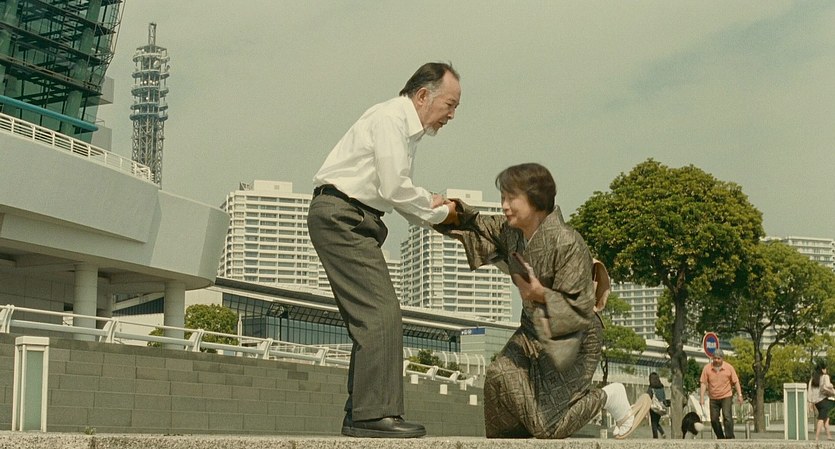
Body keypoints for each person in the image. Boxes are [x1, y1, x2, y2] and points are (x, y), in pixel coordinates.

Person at [434, 162, 650, 439]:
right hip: (531, 331)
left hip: (575, 338)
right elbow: (475, 224)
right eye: (503, 198)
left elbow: (580, 307)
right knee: (499, 376)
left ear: (536, 200)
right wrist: (446, 209)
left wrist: (541, 294)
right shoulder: (511, 232)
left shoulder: (568, 242)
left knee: (548, 427)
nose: (504, 206)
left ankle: (608, 396)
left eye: (511, 198)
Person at [307, 62, 460, 438]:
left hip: (352, 217)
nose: (452, 115)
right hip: (343, 216)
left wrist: (436, 215)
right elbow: (396, 188)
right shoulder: (392, 119)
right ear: (423, 96)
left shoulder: (405, 129)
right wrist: (439, 210)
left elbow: (396, 194)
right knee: (380, 313)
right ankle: (371, 415)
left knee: (373, 315)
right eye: (450, 104)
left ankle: (362, 412)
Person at [699, 349, 743, 439]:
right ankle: (720, 437)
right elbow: (703, 383)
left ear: (722, 358)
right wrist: (702, 397)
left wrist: (740, 395)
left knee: (727, 417)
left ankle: (729, 437)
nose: (716, 360)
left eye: (718, 358)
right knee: (714, 419)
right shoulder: (707, 368)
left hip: (726, 395)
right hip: (713, 397)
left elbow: (736, 382)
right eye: (715, 358)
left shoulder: (729, 368)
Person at [808, 359, 835, 441]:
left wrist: (810, 402)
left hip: (816, 402)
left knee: (826, 418)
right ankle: (816, 437)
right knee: (821, 419)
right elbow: (827, 385)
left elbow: (810, 391)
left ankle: (829, 436)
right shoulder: (825, 376)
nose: (826, 370)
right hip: (823, 400)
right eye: (825, 368)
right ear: (822, 369)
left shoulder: (813, 379)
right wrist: (831, 386)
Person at [647, 372, 667, 439]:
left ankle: (655, 437)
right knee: (656, 422)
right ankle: (662, 433)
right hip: (660, 407)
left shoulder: (651, 388)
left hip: (653, 407)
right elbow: (664, 397)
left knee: (653, 423)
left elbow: (648, 397)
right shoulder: (661, 387)